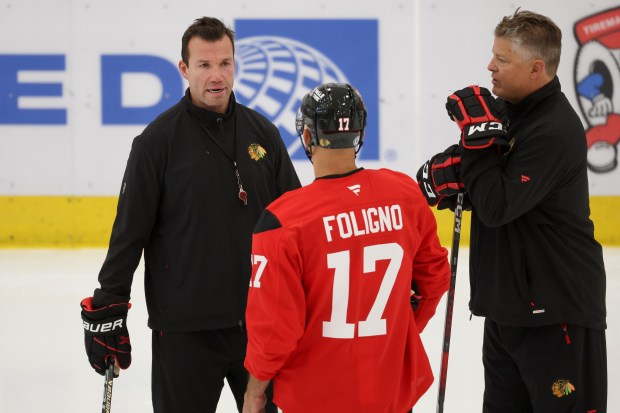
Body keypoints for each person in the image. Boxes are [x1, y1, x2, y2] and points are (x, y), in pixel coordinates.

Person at [79, 16, 300, 413]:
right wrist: (109, 303)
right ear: (184, 69)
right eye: (204, 65)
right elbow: (129, 233)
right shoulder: (156, 143)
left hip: (260, 325)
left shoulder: (262, 133)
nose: (217, 76)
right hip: (185, 331)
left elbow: (297, 219)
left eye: (225, 63)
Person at [416, 9, 607, 413]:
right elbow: (479, 165)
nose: (490, 66)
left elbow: (498, 204)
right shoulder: (507, 110)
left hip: (557, 314)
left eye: (502, 60)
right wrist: (449, 174)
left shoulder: (555, 130)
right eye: (493, 55)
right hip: (507, 310)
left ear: (537, 68)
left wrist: (474, 149)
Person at [242, 83, 451, 413]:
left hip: (316, 399)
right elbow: (436, 278)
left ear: (308, 137)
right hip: (391, 392)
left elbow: (275, 328)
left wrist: (255, 389)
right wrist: (403, 331)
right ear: (359, 133)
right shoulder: (405, 194)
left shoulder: (283, 221)